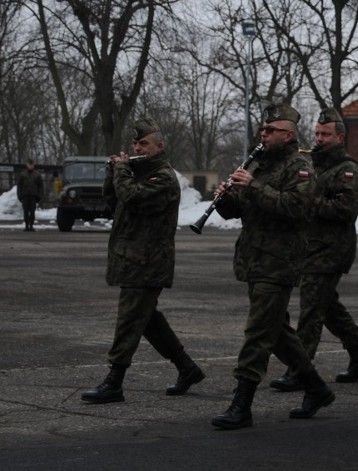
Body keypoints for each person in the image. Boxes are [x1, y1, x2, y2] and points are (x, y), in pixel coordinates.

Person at [210, 102, 335, 429]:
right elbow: (239, 210)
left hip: (280, 260)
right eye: (263, 130)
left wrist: (253, 185)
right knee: (276, 331)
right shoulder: (260, 164)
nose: (263, 135)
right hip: (255, 257)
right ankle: (316, 388)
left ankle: (242, 403)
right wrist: (226, 197)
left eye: (271, 130)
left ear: (289, 134)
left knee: (257, 331)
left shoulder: (300, 166)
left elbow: (296, 206)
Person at [81, 118, 205, 404]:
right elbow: (116, 203)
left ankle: (114, 381)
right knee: (146, 320)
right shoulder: (136, 173)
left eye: (144, 143)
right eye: (136, 143)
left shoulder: (163, 177)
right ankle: (187, 368)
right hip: (132, 260)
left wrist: (122, 171)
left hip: (149, 262)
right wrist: (111, 173)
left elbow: (133, 198)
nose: (138, 148)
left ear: (159, 147)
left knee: (129, 319)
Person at [269, 107, 358, 393]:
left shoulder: (347, 170)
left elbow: (345, 211)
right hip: (310, 247)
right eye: (317, 133)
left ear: (340, 137)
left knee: (311, 310)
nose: (319, 138)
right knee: (329, 308)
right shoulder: (312, 164)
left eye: (325, 134)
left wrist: (307, 202)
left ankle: (299, 371)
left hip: (331, 249)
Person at [17, 158, 43, 231]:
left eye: (31, 165)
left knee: (32, 211)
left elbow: (41, 186)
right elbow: (19, 185)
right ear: (27, 165)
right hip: (25, 195)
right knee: (25, 211)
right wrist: (20, 195)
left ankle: (31, 225)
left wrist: (39, 196)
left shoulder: (37, 175)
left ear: (33, 165)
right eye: (29, 165)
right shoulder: (23, 174)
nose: (30, 166)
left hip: (33, 196)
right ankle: (26, 225)